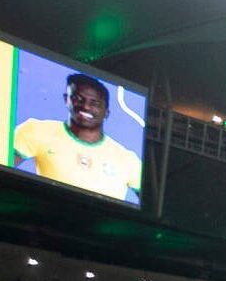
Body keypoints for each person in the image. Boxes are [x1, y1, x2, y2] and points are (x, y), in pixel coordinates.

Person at [12, 72, 142, 205]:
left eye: (94, 103)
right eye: (78, 99)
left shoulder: (127, 159)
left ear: (106, 112)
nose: (86, 106)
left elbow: (154, 207)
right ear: (66, 99)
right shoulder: (37, 130)